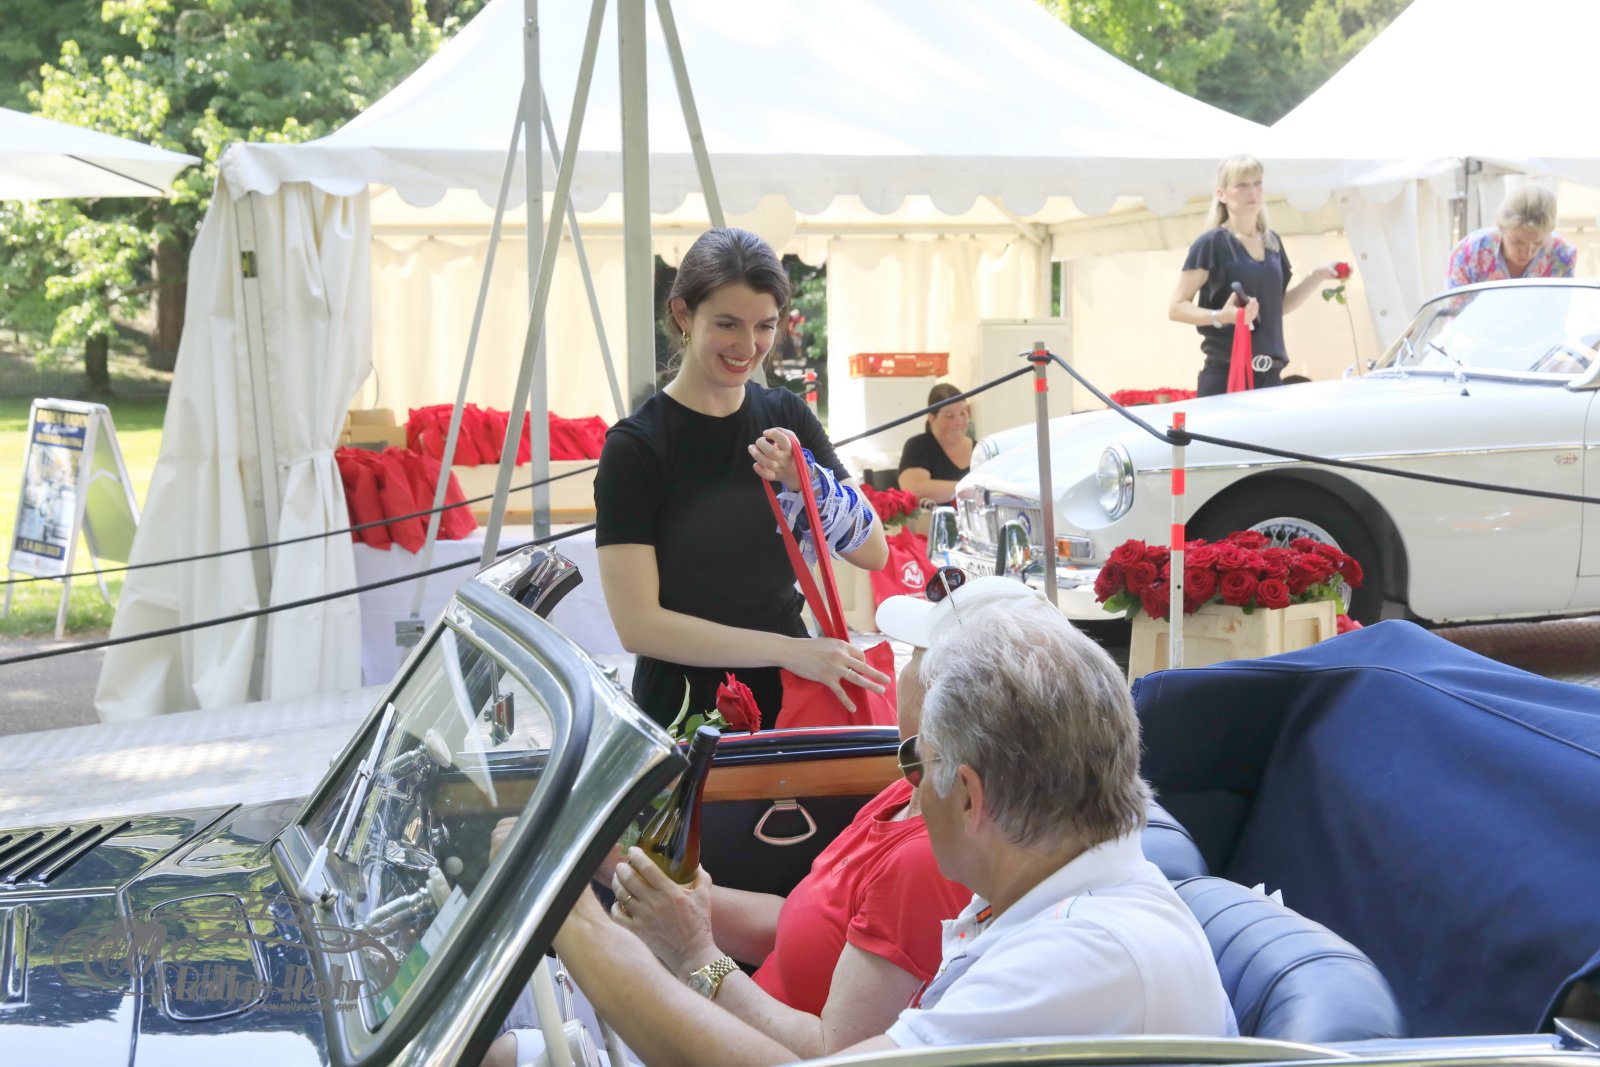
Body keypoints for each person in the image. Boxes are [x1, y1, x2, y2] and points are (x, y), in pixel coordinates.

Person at [553, 575, 1237, 1066]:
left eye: (916, 760)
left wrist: (578, 922)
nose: (907, 784)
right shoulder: (1052, 898)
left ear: (968, 795)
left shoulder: (1075, 962)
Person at [594, 643, 970, 1060]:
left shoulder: (925, 859)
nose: (901, 665)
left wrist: (692, 953)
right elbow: (798, 931)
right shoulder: (906, 792)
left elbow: (838, 1055)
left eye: (917, 651)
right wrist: (628, 876)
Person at [594, 228, 891, 730]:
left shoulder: (786, 417)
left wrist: (806, 482)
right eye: (727, 324)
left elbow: (873, 552)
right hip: (689, 707)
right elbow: (639, 625)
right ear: (683, 314)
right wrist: (789, 650)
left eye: (764, 326)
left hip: (795, 694)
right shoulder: (637, 447)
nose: (748, 346)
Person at [1169, 154, 1341, 397]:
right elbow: (1176, 308)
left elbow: (1277, 305)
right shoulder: (1211, 243)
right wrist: (1221, 316)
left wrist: (1317, 276)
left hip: (1270, 375)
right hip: (1227, 376)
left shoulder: (1272, 242)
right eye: (1241, 185)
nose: (1252, 192)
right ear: (1221, 194)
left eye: (1257, 183)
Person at [1446, 184, 1576, 289]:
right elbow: (1455, 309)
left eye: (1538, 243)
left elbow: (1560, 306)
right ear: (1500, 228)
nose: (1527, 253)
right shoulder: (1468, 252)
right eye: (1517, 242)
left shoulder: (1563, 255)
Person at [896, 383, 972, 505]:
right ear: (932, 418)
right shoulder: (918, 446)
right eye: (950, 416)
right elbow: (914, 490)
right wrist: (971, 489)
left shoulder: (980, 449)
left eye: (963, 413)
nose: (959, 422)